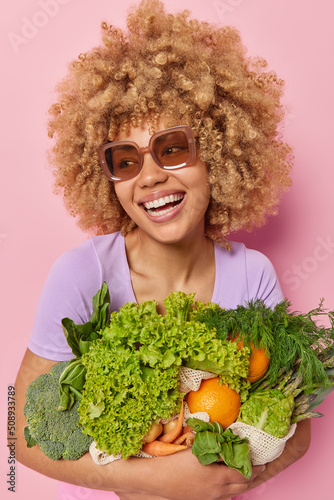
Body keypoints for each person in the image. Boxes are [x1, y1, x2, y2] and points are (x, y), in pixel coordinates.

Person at [14, 1, 311, 498]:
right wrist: (153, 479)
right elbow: (14, 431)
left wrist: (229, 479)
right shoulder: (82, 273)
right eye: (124, 160)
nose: (150, 176)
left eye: (172, 149)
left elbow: (297, 429)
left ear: (218, 154)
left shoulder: (252, 274)